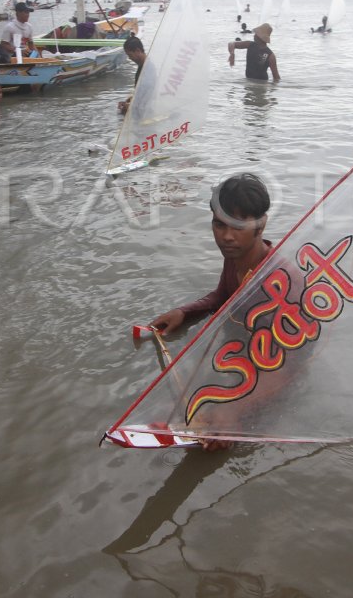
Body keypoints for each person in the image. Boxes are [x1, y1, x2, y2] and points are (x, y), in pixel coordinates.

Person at [144, 173, 274, 451]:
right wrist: (185, 312)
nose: (226, 237)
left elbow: (293, 366)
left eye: (238, 227)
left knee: (224, 444)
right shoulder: (236, 257)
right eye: (219, 225)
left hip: (268, 376)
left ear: (261, 226)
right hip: (238, 358)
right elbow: (222, 296)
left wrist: (237, 409)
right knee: (172, 408)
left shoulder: (279, 282)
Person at [117, 35, 147, 114]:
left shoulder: (148, 70)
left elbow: (149, 98)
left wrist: (130, 106)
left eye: (130, 55)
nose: (130, 58)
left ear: (137, 51)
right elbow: (142, 93)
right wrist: (131, 100)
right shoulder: (142, 67)